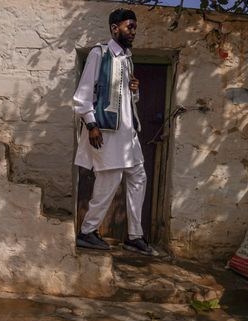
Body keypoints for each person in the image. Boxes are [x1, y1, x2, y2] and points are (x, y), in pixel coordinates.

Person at [73, 8, 156, 256]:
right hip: (105, 133)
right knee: (108, 183)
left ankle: (135, 235)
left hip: (128, 136)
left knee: (138, 178)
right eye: (129, 27)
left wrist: (136, 90)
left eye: (135, 28)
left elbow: (127, 102)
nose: (133, 32)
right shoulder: (100, 54)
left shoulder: (127, 58)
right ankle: (88, 231)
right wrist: (91, 125)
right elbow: (82, 96)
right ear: (114, 28)